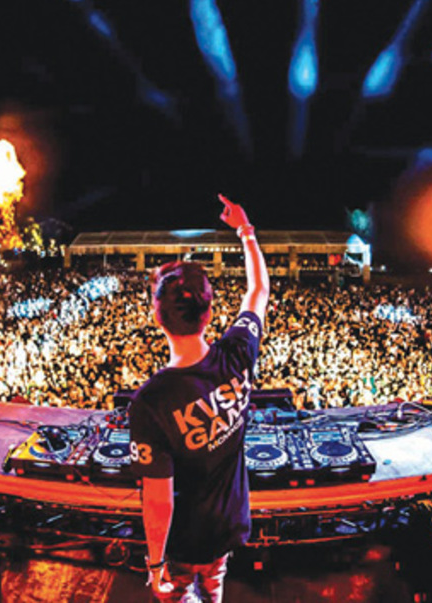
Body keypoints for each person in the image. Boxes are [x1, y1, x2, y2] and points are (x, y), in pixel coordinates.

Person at [130, 194, 269, 602]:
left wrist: (155, 565)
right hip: (228, 526)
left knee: (177, 594)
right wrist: (245, 231)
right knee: (214, 584)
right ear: (209, 314)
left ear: (157, 318)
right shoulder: (238, 351)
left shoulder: (151, 402)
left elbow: (158, 503)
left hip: (184, 542)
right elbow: (258, 290)